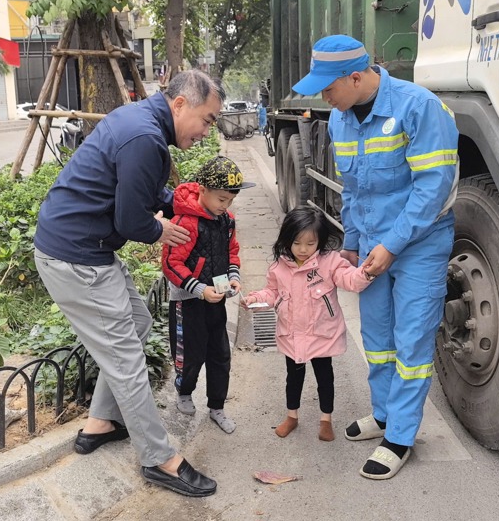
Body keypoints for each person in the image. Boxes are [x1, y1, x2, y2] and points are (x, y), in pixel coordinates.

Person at [33, 69, 225, 498]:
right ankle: (159, 458)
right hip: (77, 257)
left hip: (86, 249)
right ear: (180, 105)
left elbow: (140, 192)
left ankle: (101, 422)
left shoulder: (143, 124)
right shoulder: (145, 137)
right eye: (208, 120)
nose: (207, 132)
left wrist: (180, 202)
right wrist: (163, 232)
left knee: (137, 325)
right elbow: (131, 220)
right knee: (127, 362)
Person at [292, 35, 458, 479]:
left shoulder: (419, 107)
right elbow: (355, 190)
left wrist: (391, 244)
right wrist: (352, 244)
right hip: (371, 248)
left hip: (419, 243)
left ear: (357, 76)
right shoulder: (342, 121)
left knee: (412, 342)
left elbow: (432, 187)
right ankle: (383, 414)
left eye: (329, 87)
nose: (324, 97)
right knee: (378, 338)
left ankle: (401, 436)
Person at [242, 207, 374, 441]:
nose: (303, 250)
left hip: (322, 334)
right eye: (296, 243)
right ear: (287, 239)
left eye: (310, 244)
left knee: (325, 378)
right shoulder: (279, 267)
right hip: (291, 335)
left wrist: (366, 272)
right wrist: (254, 299)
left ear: (320, 242)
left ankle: (326, 419)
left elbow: (350, 279)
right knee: (293, 378)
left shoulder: (331, 262)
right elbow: (271, 292)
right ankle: (292, 416)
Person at [162, 156, 254, 435]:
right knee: (190, 353)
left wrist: (234, 278)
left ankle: (217, 405)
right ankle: (184, 390)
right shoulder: (184, 222)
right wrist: (199, 289)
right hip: (188, 300)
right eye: (221, 199)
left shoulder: (226, 221)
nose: (225, 206)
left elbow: (232, 252)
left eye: (230, 201)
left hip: (217, 297)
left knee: (219, 353)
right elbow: (170, 263)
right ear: (202, 190)